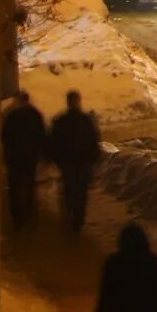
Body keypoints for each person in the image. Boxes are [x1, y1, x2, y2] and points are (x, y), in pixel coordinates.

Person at [49, 90, 102, 233]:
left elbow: (53, 143)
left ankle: (71, 217)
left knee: (70, 191)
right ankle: (77, 221)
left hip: (69, 164)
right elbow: (94, 141)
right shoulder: (86, 121)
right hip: (81, 164)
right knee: (80, 193)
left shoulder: (61, 121)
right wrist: (94, 160)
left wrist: (58, 160)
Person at [1, 91, 48, 227]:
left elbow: (5, 137)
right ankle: (29, 212)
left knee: (15, 186)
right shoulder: (35, 115)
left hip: (15, 158)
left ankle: (17, 216)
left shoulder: (12, 116)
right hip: (29, 157)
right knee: (29, 184)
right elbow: (41, 135)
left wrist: (7, 154)